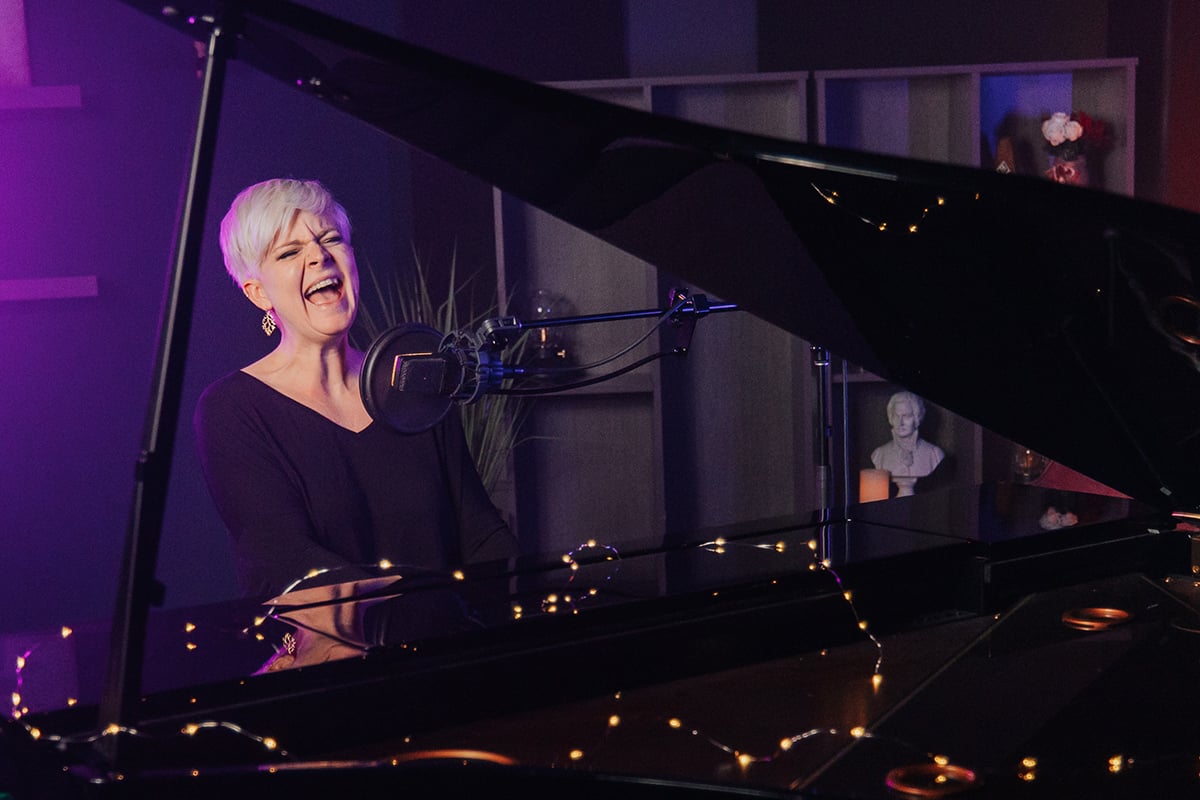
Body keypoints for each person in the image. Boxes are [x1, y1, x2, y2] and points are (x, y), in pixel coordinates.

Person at [194, 178, 516, 599]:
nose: (319, 256)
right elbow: (283, 558)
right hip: (341, 657)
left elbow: (479, 532)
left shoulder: (412, 375)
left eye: (330, 239)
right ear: (258, 294)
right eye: (290, 252)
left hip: (451, 646)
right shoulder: (232, 409)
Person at [870, 391, 944, 494]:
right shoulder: (879, 454)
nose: (900, 423)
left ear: (917, 418)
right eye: (896, 416)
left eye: (907, 416)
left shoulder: (934, 454)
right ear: (891, 418)